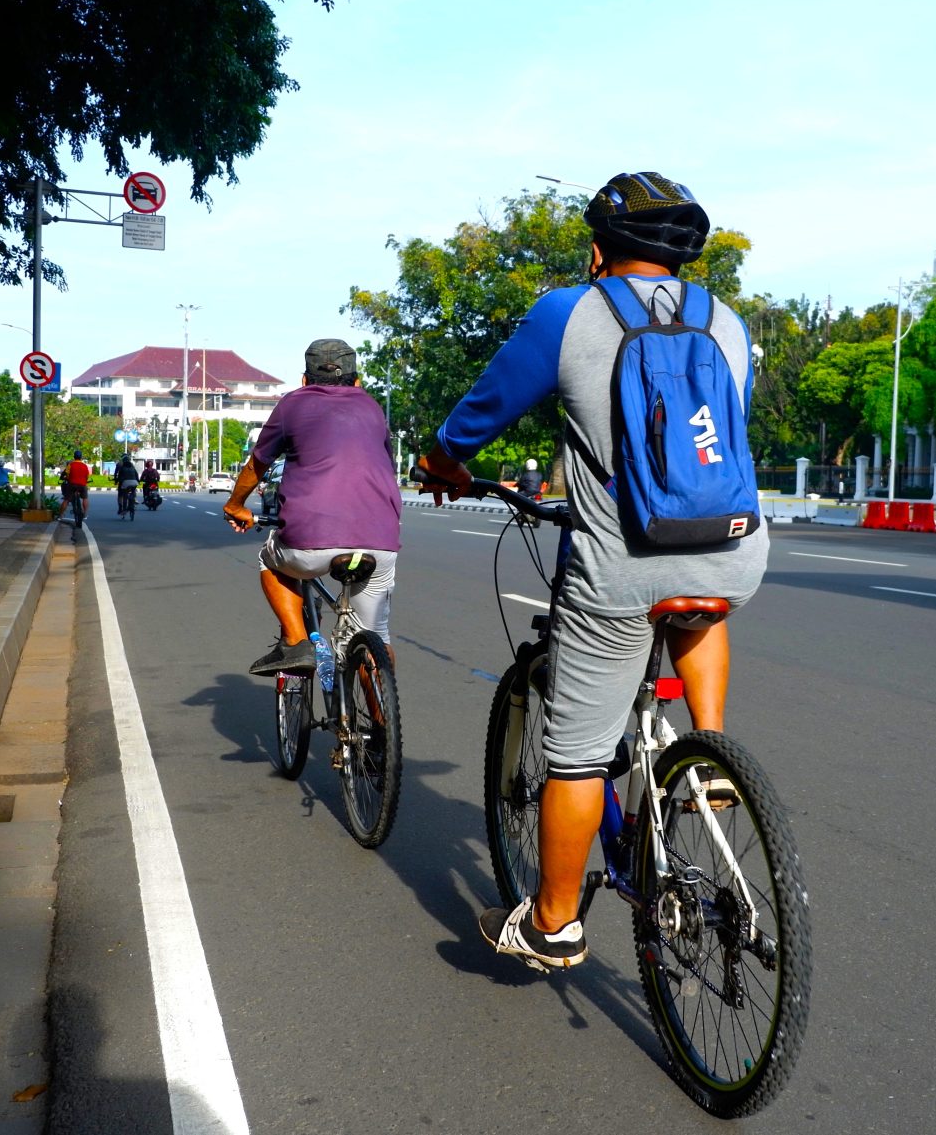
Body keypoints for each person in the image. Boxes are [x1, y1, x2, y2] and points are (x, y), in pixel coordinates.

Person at [415, 172, 767, 971]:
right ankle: (707, 757)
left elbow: (480, 411)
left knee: (574, 753)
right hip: (731, 549)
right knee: (698, 606)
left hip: (619, 569)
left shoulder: (571, 312)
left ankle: (553, 921)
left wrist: (443, 462)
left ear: (601, 251)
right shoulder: (729, 322)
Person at [223, 338, 402, 674]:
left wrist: (236, 505)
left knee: (269, 559)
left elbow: (258, 464)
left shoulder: (293, 404)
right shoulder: (373, 407)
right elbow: (386, 468)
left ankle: (295, 642)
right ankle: (382, 725)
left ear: (304, 380)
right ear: (357, 380)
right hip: (380, 543)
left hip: (309, 543)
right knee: (375, 636)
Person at [61, 454, 90, 529]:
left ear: (74, 457)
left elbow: (67, 475)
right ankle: (85, 513)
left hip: (72, 485)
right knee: (85, 498)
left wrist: (69, 478)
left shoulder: (70, 465)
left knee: (66, 499)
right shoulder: (85, 466)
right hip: (82, 485)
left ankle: (60, 515)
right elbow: (87, 476)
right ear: (81, 457)